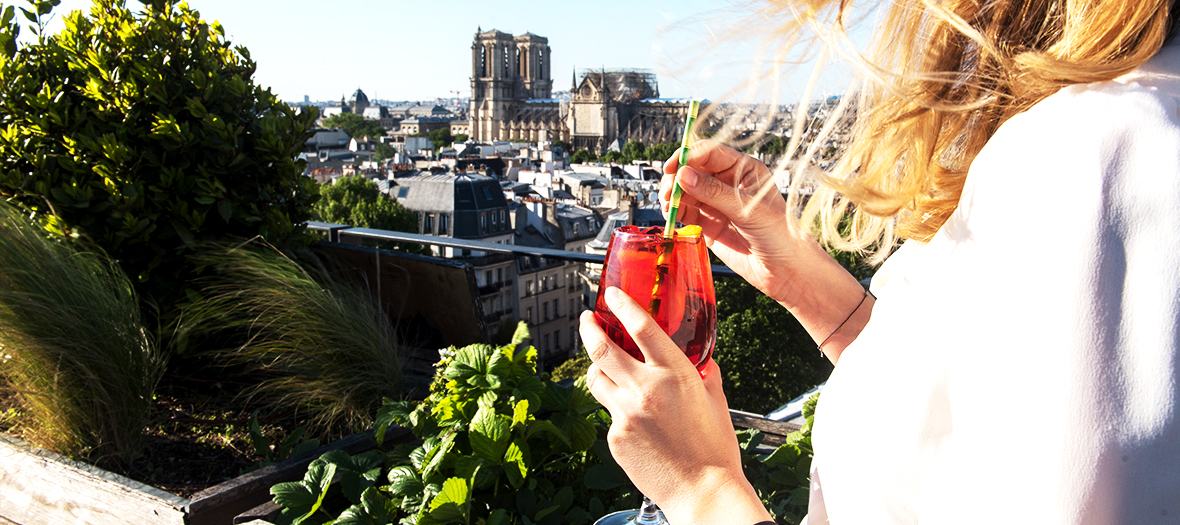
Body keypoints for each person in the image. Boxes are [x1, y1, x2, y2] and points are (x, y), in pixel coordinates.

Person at [579, 0, 1180, 523]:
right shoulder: (1110, 131)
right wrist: (805, 283)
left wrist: (702, 489)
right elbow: (981, 410)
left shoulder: (1087, 157)